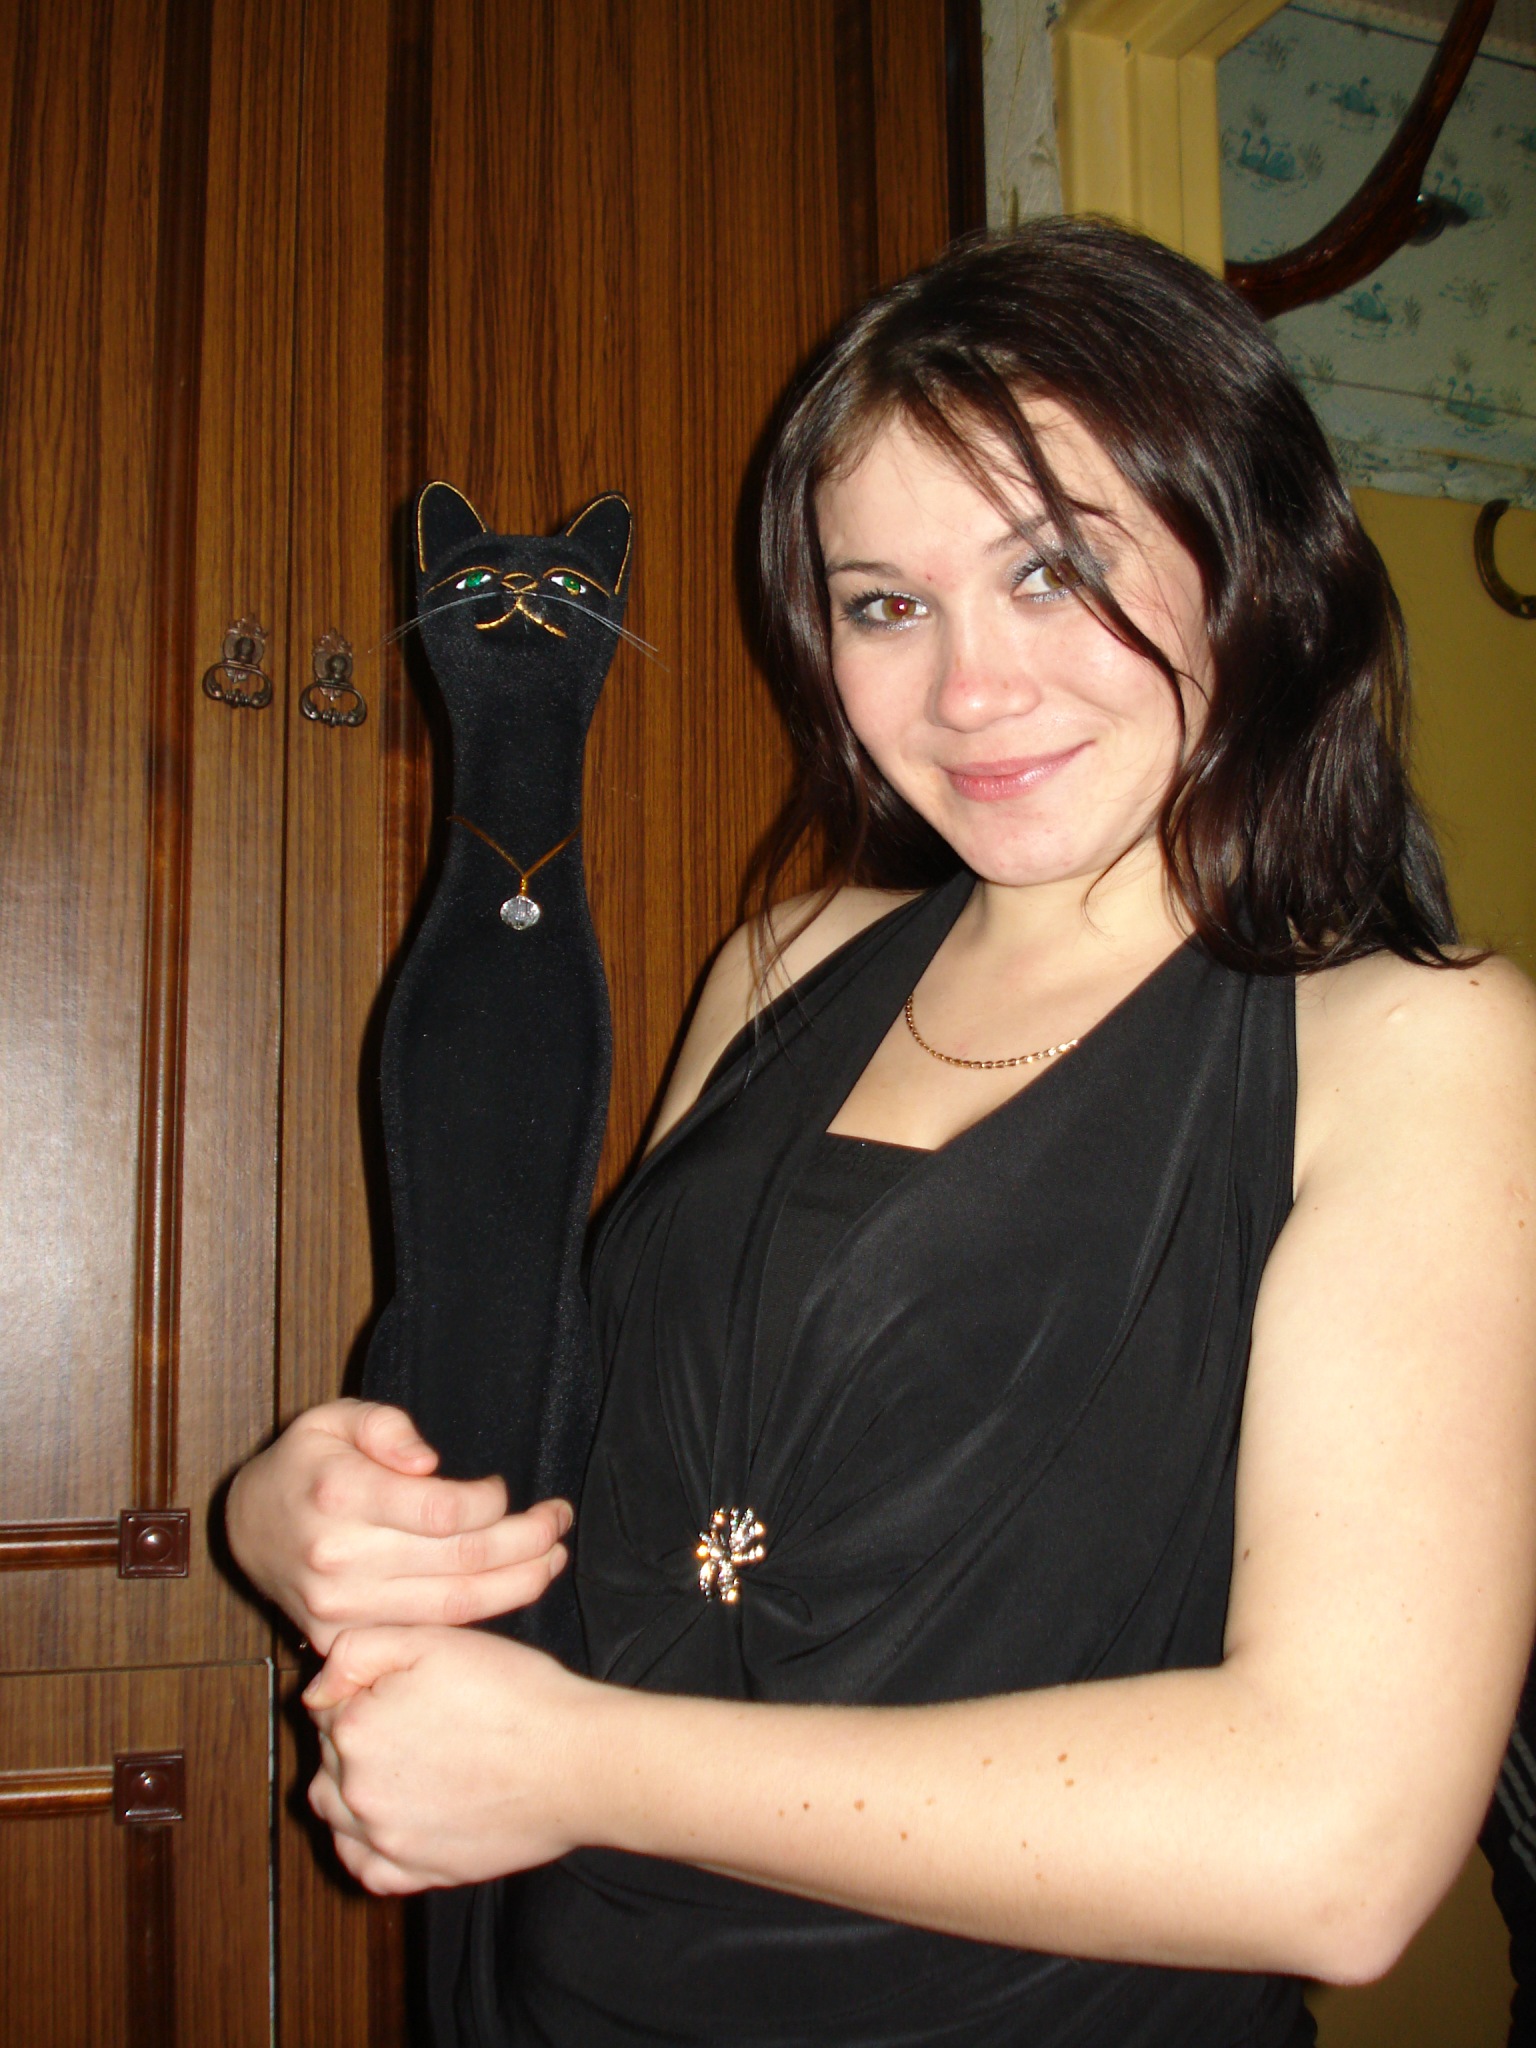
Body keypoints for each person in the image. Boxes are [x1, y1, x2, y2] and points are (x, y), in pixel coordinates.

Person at [226, 218, 1536, 2047]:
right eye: (885, 605)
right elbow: (623, 1500)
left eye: (1055, 571)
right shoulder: (784, 966)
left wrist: (582, 1765)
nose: (968, 690)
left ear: (1251, 559)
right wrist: (311, 1514)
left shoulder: (1416, 1044)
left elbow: (1336, 1844)